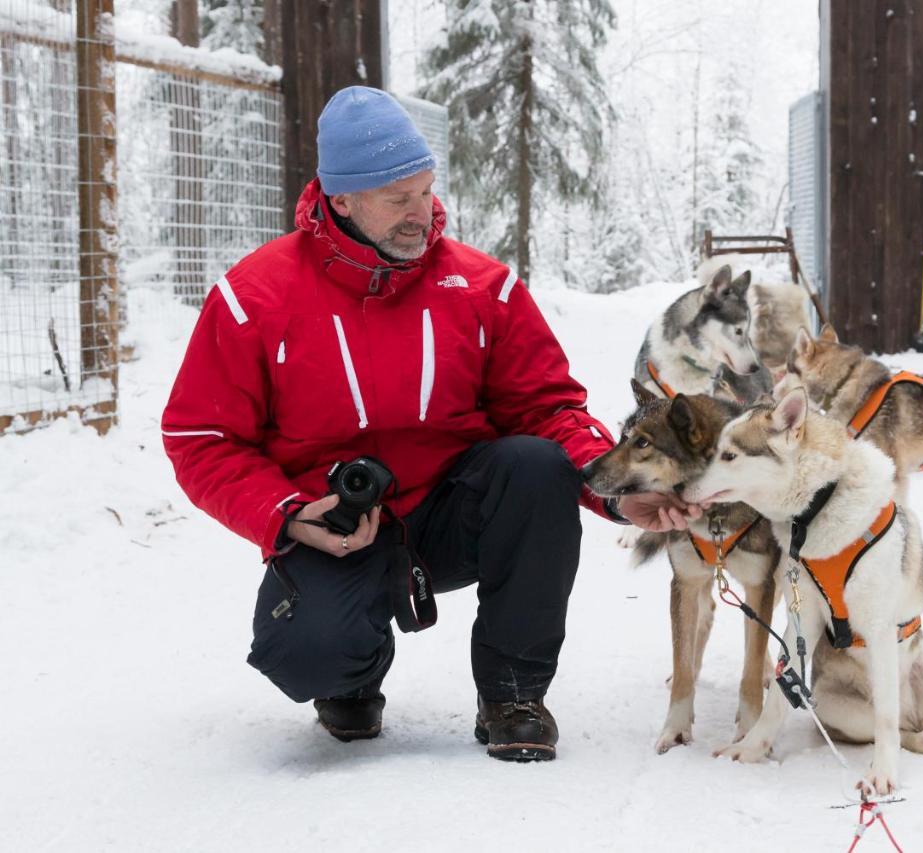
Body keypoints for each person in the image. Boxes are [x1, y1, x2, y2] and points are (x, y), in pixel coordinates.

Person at [161, 86, 698, 762]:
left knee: (535, 464)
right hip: (334, 526)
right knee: (307, 656)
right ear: (342, 198)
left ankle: (513, 690)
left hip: (453, 513)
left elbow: (549, 410)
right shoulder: (254, 299)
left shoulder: (481, 288)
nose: (424, 214)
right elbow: (200, 439)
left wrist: (616, 487)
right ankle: (351, 674)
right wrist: (288, 512)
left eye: (425, 190)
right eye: (398, 199)